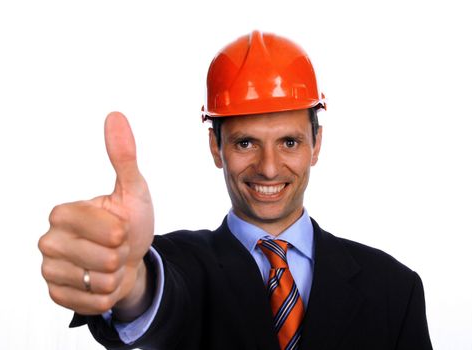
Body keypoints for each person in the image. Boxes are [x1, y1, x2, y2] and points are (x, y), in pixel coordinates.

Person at [39, 31, 433, 350]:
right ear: (216, 147)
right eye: (246, 143)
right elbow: (158, 297)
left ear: (317, 144)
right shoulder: (179, 265)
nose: (268, 167)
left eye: (289, 143)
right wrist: (129, 285)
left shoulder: (394, 289)